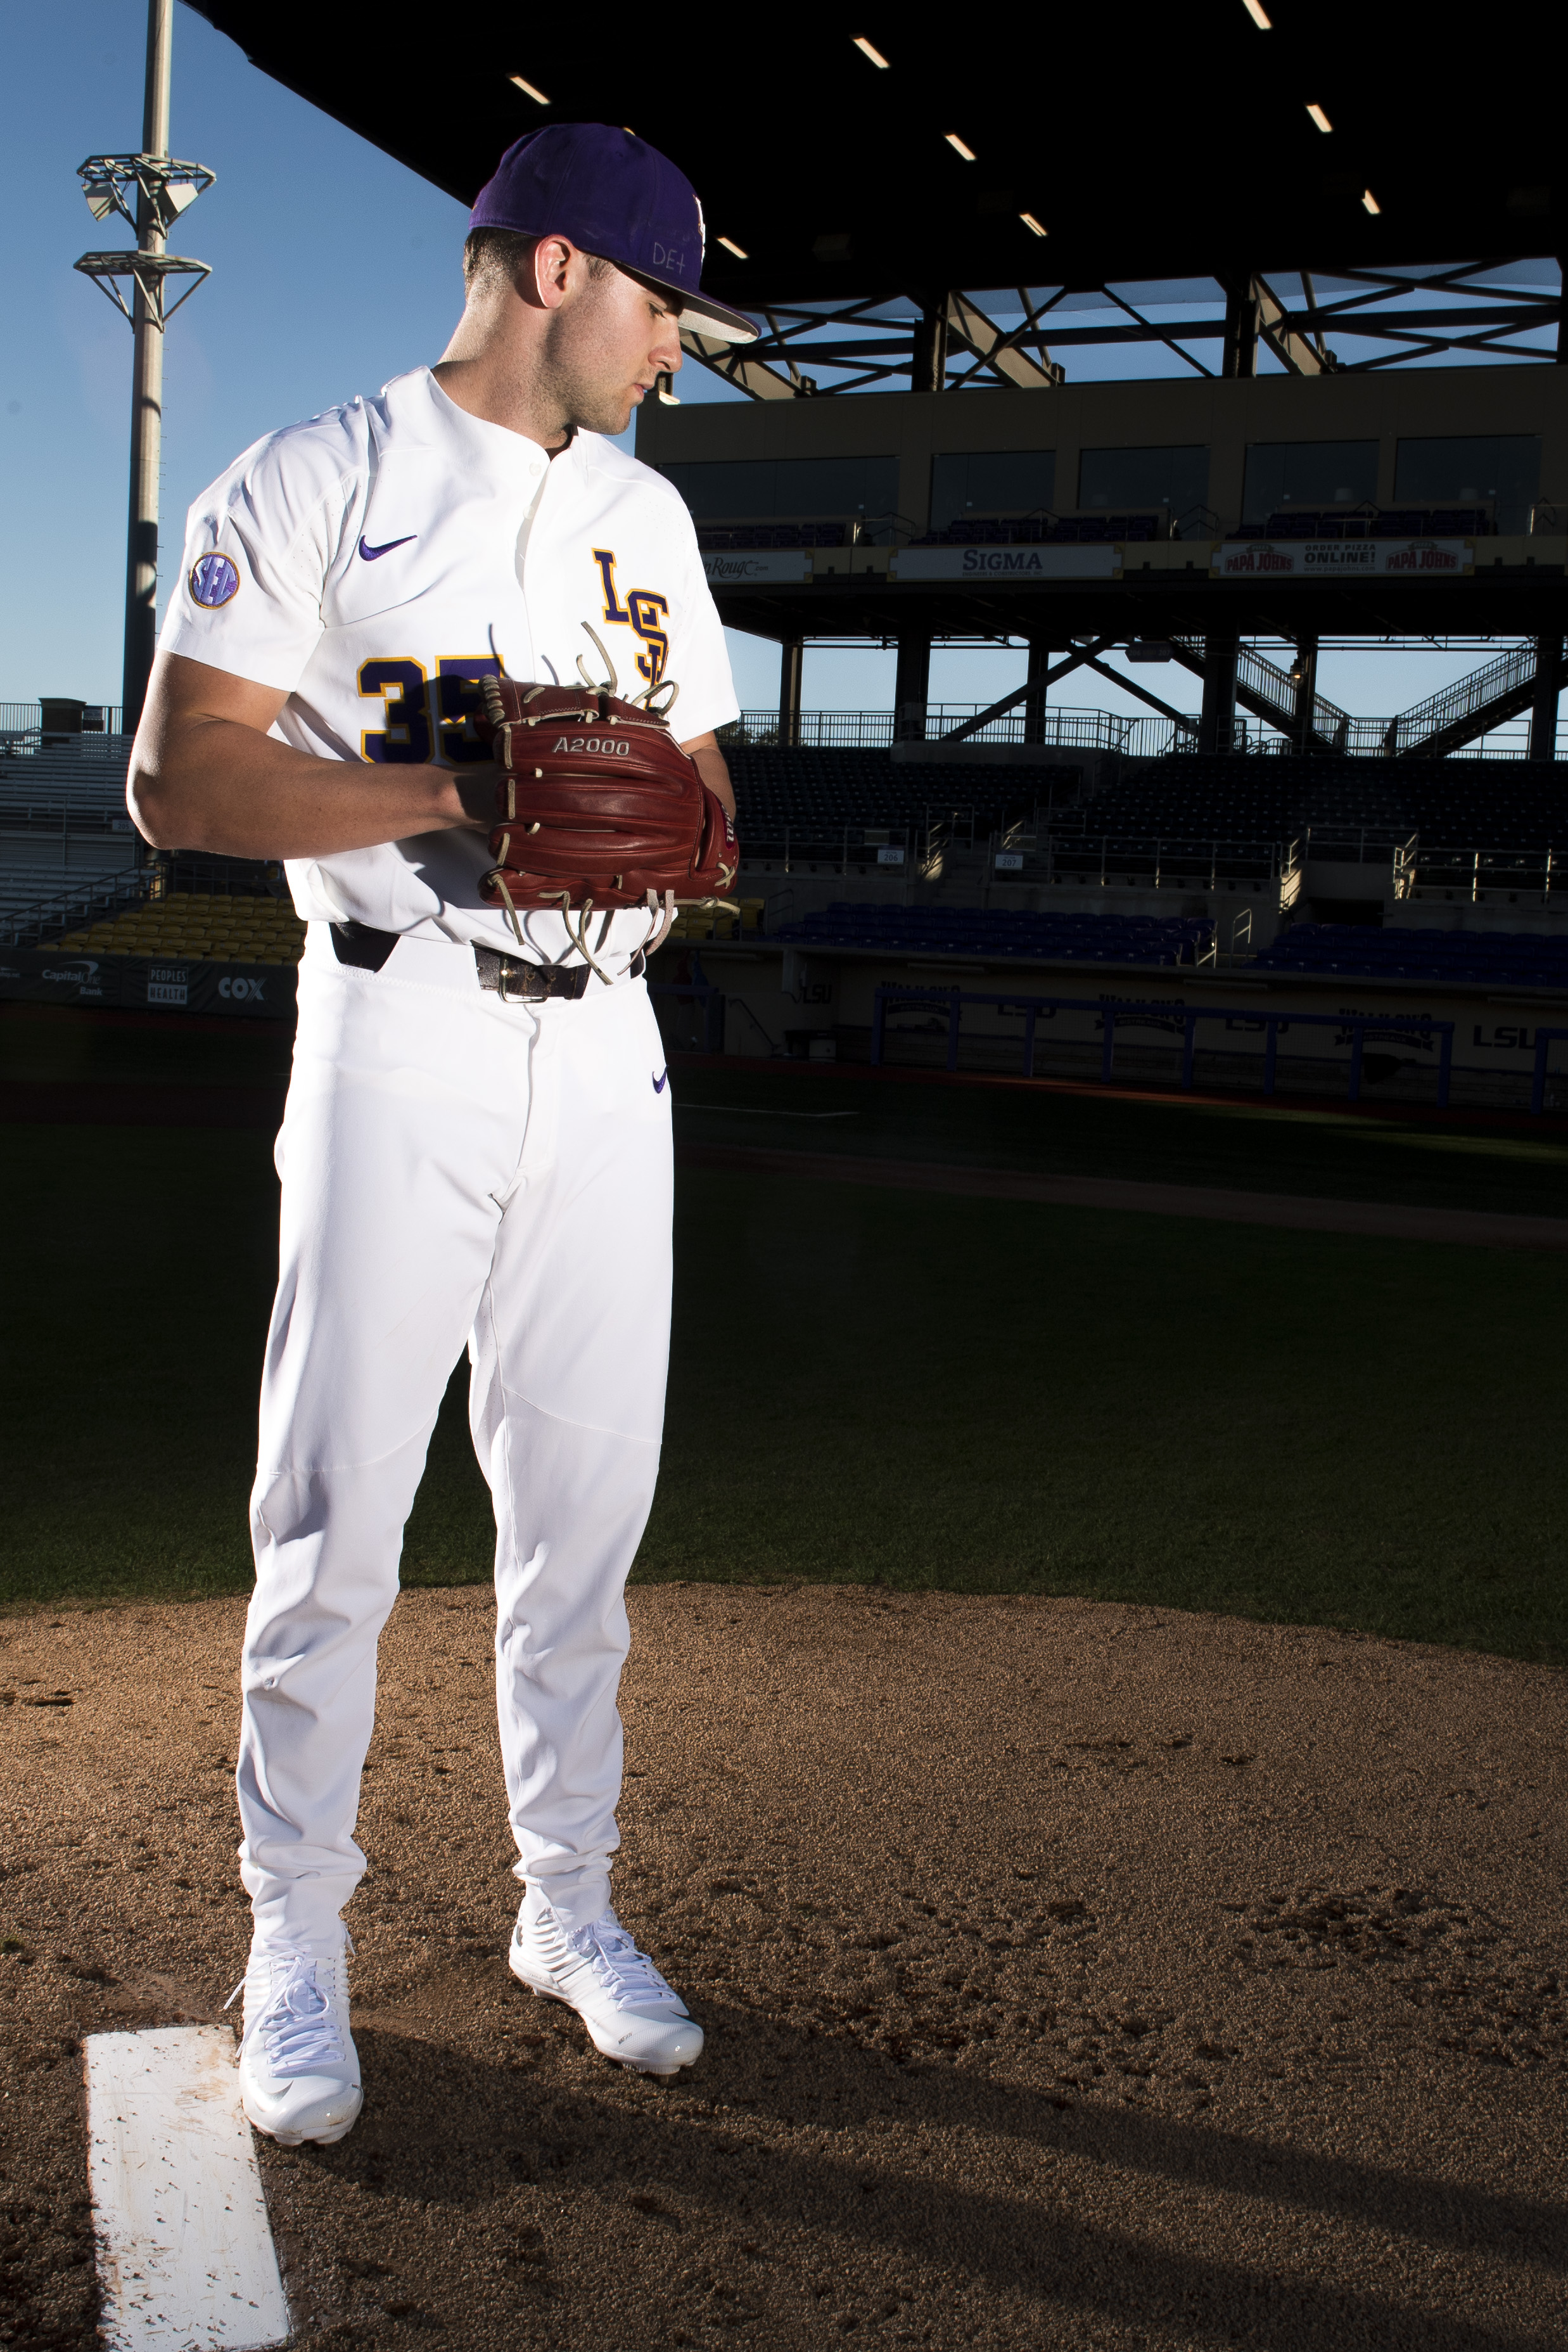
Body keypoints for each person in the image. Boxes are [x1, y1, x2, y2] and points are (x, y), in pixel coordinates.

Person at [127, 122, 758, 2147]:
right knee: (333, 1524)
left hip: (610, 1057)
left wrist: (679, 822)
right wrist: (449, 800)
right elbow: (177, 783)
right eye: (667, 305)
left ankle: (565, 1905)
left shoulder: (649, 517)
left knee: (587, 1523)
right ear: (559, 272)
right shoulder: (317, 478)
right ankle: (292, 1941)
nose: (679, 348)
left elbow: (712, 795)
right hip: (398, 1040)